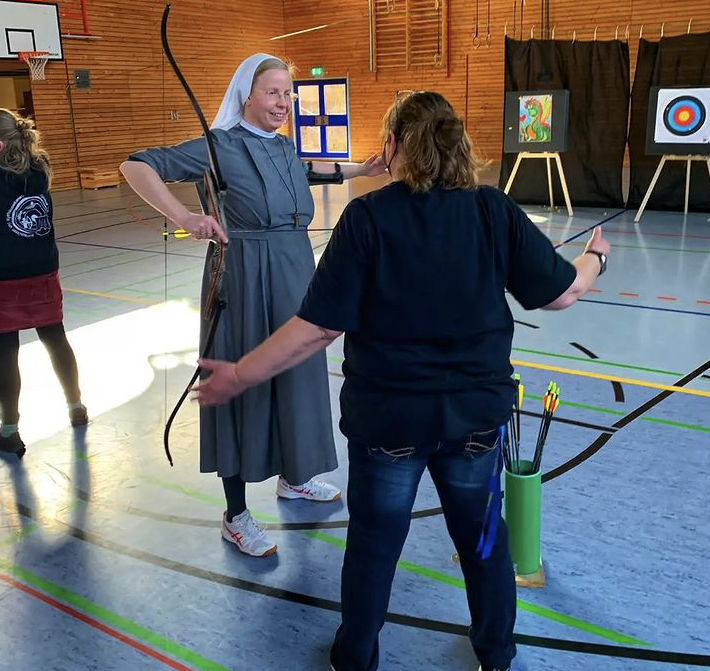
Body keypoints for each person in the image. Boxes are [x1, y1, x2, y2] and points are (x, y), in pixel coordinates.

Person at [191, 90, 611, 671]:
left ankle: (356, 655)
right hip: (472, 420)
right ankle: (496, 652)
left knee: (374, 545)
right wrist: (597, 259)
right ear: (459, 145)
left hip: (389, 420)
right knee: (483, 544)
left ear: (392, 148)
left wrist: (241, 371)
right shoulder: (492, 208)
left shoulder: (368, 216)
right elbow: (565, 292)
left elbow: (317, 329)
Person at [119, 53, 385, 558]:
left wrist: (359, 168)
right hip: (240, 279)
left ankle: (295, 477)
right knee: (241, 384)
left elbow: (305, 170)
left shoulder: (284, 146)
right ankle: (236, 514)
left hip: (294, 273)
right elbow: (136, 165)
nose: (283, 102)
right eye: (272, 93)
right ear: (247, 94)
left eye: (288, 93)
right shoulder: (217, 146)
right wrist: (185, 215)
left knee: (298, 376)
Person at [0, 109, 88, 459]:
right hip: (43, 270)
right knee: (54, 336)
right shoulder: (38, 169)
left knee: (6, 350)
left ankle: (8, 430)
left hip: (6, 275)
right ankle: (76, 405)